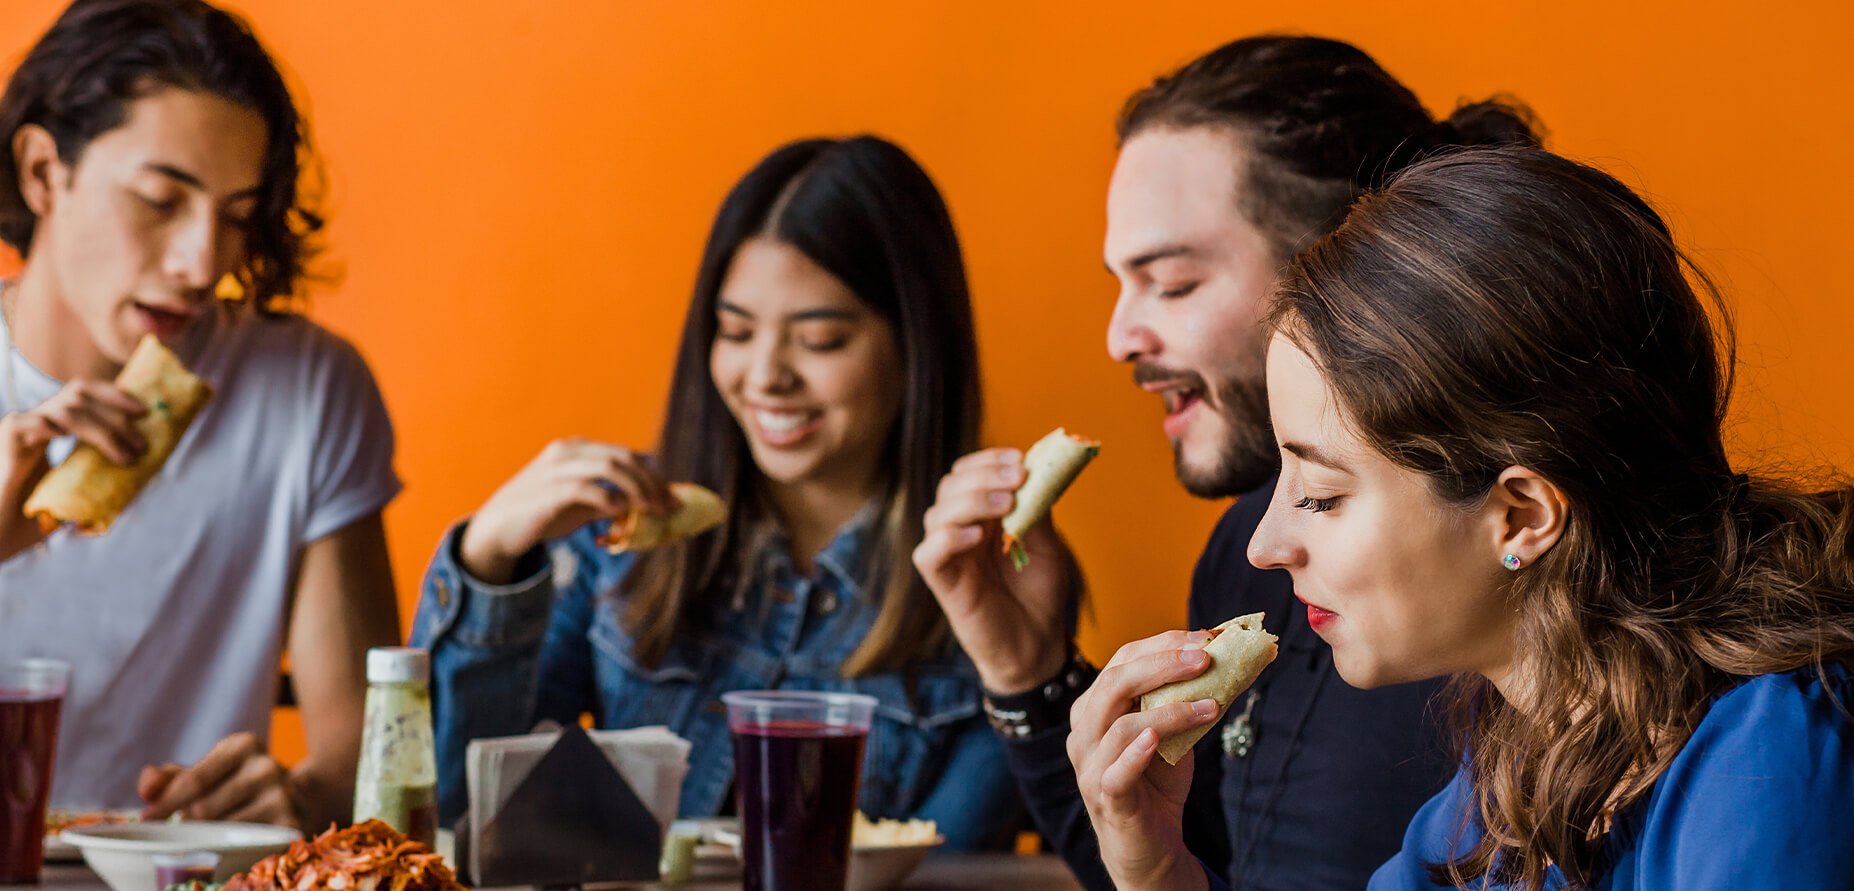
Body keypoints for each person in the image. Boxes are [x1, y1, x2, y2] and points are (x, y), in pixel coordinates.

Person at [1083, 145, 1854, 889]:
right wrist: (1159, 872)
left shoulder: (1770, 762)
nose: (1264, 545)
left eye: (1320, 494)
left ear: (1521, 516)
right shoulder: (1512, 769)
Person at [914, 36, 1542, 889]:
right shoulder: (1247, 554)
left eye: (1171, 283)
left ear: (1345, 264)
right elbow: (1186, 861)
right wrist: (1028, 669)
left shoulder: (1485, 595)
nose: (1119, 337)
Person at [410, 135, 1025, 849]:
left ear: (916, 347)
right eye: (735, 331)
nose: (764, 375)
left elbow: (951, 864)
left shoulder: (993, 577)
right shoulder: (619, 539)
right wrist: (489, 559)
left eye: (820, 339)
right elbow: (446, 816)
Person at [0, 0, 401, 829]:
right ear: (43, 171)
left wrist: (286, 799)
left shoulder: (308, 390)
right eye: (159, 199)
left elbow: (364, 761)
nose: (201, 264)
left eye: (237, 216)